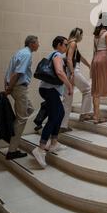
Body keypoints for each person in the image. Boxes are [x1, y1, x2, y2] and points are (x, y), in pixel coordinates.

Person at [32, 36, 73, 169]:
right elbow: (59, 72)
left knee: (59, 114)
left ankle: (54, 142)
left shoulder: (53, 54)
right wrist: (69, 85)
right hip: (50, 90)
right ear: (59, 45)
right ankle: (40, 149)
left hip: (47, 89)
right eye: (65, 44)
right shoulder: (57, 55)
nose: (66, 47)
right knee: (54, 117)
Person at [4, 35, 39, 160]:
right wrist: (9, 89)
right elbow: (18, 73)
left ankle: (14, 130)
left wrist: (7, 86)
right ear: (31, 44)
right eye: (37, 43)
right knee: (21, 118)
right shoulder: (27, 54)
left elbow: (8, 71)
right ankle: (12, 150)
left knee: (30, 109)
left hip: (15, 87)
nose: (38, 45)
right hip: (19, 88)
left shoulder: (19, 52)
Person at [60, 28, 93, 133]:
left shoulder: (69, 43)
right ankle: (84, 114)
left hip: (68, 73)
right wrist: (72, 72)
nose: (82, 37)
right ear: (79, 35)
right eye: (82, 35)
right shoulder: (73, 43)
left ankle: (63, 125)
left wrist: (88, 65)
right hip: (74, 71)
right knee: (87, 89)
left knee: (67, 100)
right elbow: (69, 59)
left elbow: (80, 57)